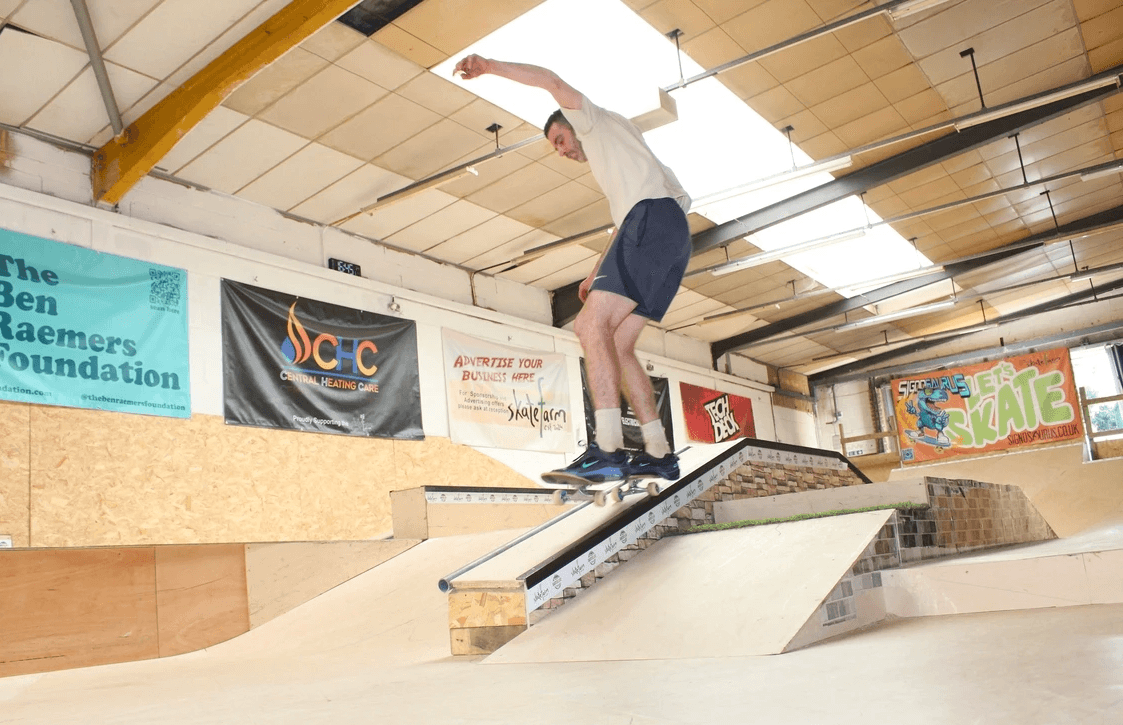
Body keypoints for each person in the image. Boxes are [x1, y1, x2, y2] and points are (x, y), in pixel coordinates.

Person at [454, 54, 691, 482]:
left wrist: (487, 66)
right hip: (673, 238)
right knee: (619, 346)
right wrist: (596, 269)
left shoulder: (593, 120)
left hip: (650, 222)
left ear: (572, 121)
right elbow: (645, 215)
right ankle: (658, 451)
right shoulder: (628, 153)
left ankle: (608, 450)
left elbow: (548, 78)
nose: (562, 150)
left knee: (588, 327)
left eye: (561, 139)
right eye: (556, 148)